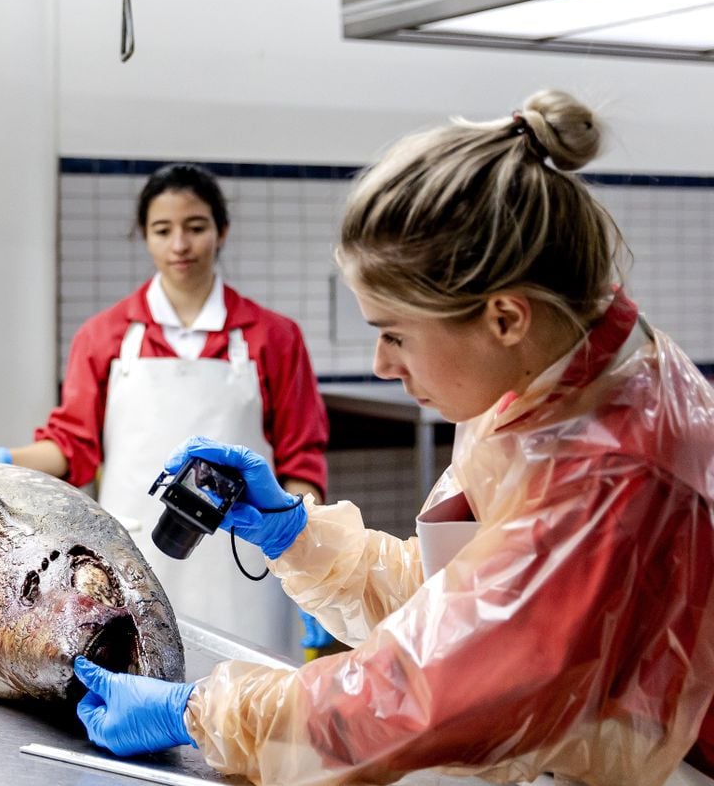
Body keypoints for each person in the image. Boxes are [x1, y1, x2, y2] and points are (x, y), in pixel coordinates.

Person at [70, 90, 714, 785]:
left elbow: (430, 693)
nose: (381, 364)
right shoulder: (551, 381)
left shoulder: (607, 465)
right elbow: (468, 597)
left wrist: (199, 711)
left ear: (504, 317)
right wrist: (301, 538)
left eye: (396, 334)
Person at [0, 162, 330, 656]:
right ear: (144, 236)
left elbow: (301, 461)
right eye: (163, 230)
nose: (180, 246)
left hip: (244, 572)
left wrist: (311, 558)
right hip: (134, 564)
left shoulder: (273, 337)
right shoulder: (104, 336)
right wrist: (7, 463)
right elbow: (72, 447)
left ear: (221, 231)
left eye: (195, 227)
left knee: (254, 711)